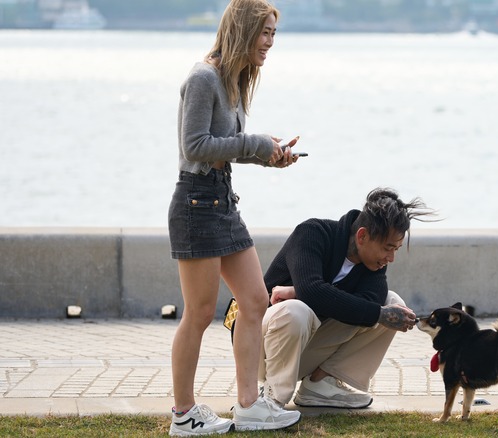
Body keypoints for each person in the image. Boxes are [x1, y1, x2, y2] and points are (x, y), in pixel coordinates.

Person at [166, 0, 302, 435]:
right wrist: (254, 144)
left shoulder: (234, 80)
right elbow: (195, 147)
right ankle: (183, 414)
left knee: (255, 300)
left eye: (273, 35)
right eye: (264, 33)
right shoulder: (203, 77)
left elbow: (228, 146)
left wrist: (269, 157)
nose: (269, 43)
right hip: (196, 204)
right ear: (243, 30)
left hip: (222, 202)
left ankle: (248, 406)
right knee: (200, 312)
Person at [247, 187, 435, 409]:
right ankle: (272, 398)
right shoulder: (313, 232)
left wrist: (301, 291)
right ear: (362, 236)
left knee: (391, 303)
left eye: (396, 249)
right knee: (296, 311)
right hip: (258, 350)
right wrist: (308, 292)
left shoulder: (373, 266)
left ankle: (319, 383)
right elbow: (313, 291)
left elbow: (365, 304)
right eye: (388, 248)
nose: (391, 257)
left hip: (302, 353)